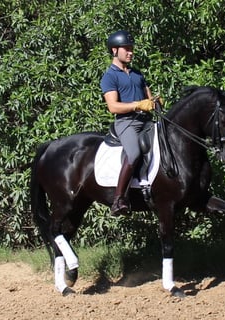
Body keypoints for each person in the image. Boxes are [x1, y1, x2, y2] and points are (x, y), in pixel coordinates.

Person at [100, 30, 155, 216]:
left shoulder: (137, 73)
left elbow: (149, 97)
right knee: (134, 153)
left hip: (146, 121)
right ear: (114, 50)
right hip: (127, 123)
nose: (131, 52)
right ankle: (118, 199)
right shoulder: (110, 76)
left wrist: (155, 102)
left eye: (132, 49)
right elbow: (113, 107)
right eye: (127, 49)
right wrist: (137, 105)